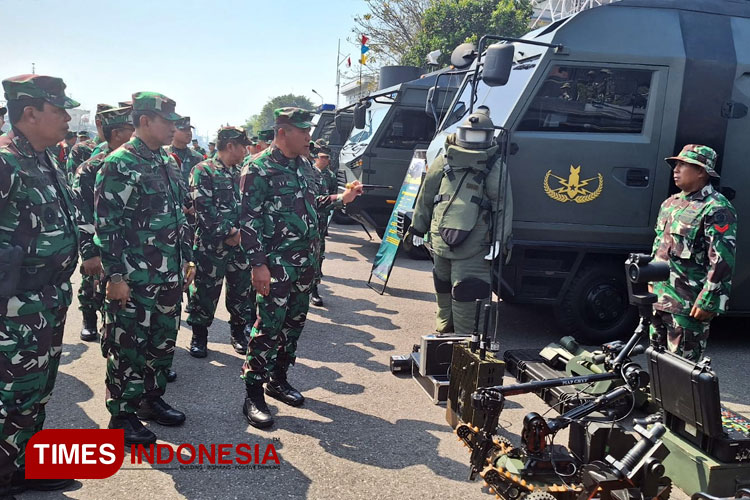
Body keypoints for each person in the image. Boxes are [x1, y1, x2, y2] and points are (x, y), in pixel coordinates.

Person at [239, 107, 362, 428]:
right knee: (267, 327)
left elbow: (313, 203)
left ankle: (278, 379)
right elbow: (247, 221)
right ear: (283, 132)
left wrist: (341, 198)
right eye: (303, 130)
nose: (309, 136)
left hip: (304, 263)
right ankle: (253, 394)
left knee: (293, 325)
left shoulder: (305, 166)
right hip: (275, 265)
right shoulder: (258, 168)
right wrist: (258, 265)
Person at [94, 91, 194, 445]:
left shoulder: (167, 161)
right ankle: (121, 416)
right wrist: (116, 277)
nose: (174, 128)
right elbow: (108, 225)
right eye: (168, 122)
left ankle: (151, 400)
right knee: (128, 346)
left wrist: (187, 259)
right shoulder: (120, 162)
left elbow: (180, 215)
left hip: (167, 274)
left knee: (162, 342)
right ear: (145, 121)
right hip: (134, 277)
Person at [0, 74, 80, 495]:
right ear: (30, 112)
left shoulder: (45, 158)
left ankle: (23, 465)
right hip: (14, 309)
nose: (68, 117)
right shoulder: (4, 161)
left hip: (48, 300)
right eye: (59, 109)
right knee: (8, 398)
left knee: (36, 392)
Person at [410, 107, 512, 334]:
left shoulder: (494, 166)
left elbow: (502, 206)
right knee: (443, 287)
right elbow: (427, 196)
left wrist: (499, 240)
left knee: (468, 292)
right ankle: (445, 335)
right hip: (442, 240)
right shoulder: (445, 160)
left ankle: (466, 343)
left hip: (473, 244)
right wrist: (418, 228)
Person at [650, 144, 737, 361]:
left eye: (683, 164)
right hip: (660, 301)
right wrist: (650, 279)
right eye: (675, 164)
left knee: (681, 373)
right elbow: (659, 246)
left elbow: (722, 259)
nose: (676, 169)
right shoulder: (671, 203)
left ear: (701, 171)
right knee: (657, 365)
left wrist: (709, 299)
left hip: (688, 305)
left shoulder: (716, 207)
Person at [187, 126, 255, 357]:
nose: (247, 151)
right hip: (211, 246)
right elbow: (204, 209)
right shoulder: (203, 170)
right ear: (230, 146)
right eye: (243, 146)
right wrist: (231, 232)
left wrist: (242, 233)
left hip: (240, 245)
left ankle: (238, 333)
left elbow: (249, 206)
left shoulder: (241, 171)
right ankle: (199, 336)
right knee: (205, 292)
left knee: (240, 291)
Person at [72, 105, 134, 342]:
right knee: (92, 283)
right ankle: (89, 318)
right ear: (117, 133)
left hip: (129, 245)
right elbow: (82, 212)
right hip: (99, 240)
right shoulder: (91, 167)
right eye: (132, 128)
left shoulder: (139, 163)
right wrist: (89, 252)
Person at [309, 139, 338, 307]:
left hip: (318, 225)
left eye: (327, 157)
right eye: (321, 157)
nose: (324, 160)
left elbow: (327, 199)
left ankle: (314, 288)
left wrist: (341, 199)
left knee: (317, 256)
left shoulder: (323, 176)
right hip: (296, 228)